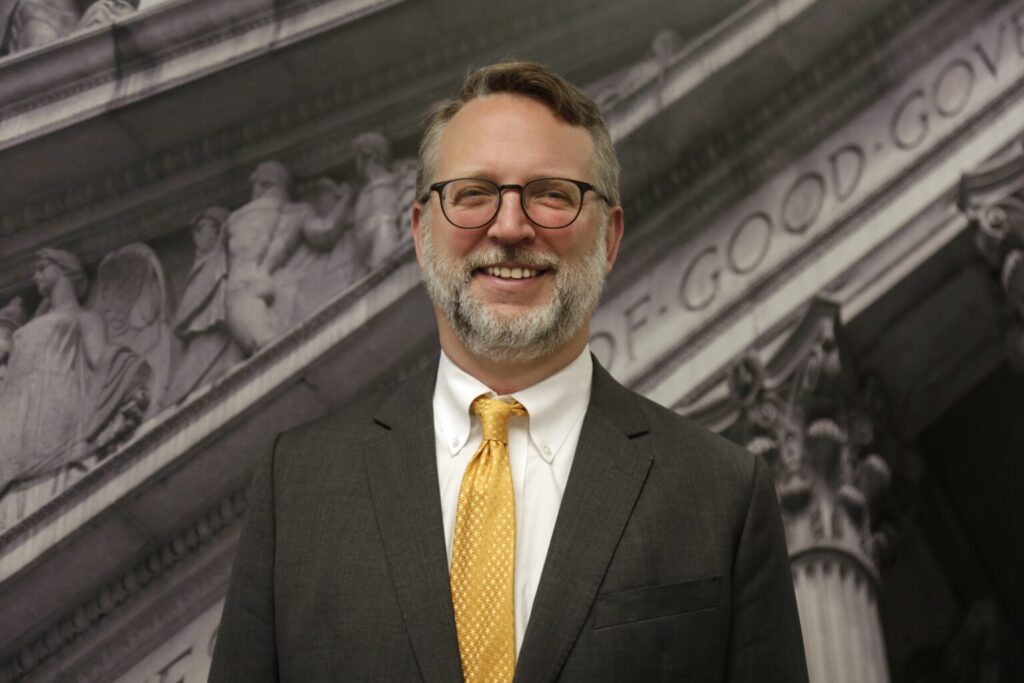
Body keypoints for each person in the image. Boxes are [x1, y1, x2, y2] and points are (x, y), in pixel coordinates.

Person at [209, 60, 808, 682]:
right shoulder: (298, 489)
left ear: (608, 236)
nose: (511, 226)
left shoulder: (723, 495)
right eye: (473, 195)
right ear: (419, 234)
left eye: (552, 194)